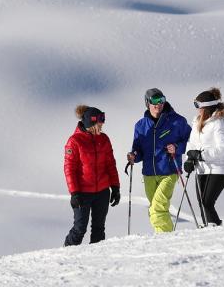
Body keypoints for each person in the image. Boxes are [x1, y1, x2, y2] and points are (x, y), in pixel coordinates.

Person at [127, 88, 191, 232]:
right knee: (156, 209)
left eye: (161, 100)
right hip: (149, 174)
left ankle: (164, 240)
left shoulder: (177, 121)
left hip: (169, 171)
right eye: (154, 101)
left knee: (158, 207)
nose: (159, 104)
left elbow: (192, 140)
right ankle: (165, 238)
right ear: (147, 103)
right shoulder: (140, 125)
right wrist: (134, 156)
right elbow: (138, 149)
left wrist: (177, 147)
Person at [64, 105, 120, 246]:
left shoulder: (104, 139)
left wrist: (115, 187)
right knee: (79, 229)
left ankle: (96, 261)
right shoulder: (74, 141)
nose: (102, 126)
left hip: (102, 192)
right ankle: (65, 254)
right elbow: (69, 169)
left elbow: (110, 165)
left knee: (99, 229)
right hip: (83, 194)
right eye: (100, 123)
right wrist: (74, 193)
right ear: (91, 122)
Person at [184, 88, 224, 226]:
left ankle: (214, 228)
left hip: (219, 169)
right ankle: (208, 227)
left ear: (207, 107)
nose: (197, 109)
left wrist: (201, 155)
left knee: (207, 202)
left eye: (198, 106)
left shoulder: (220, 123)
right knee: (202, 202)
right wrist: (189, 158)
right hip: (202, 168)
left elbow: (223, 148)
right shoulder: (197, 121)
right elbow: (191, 142)